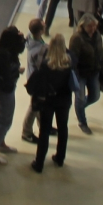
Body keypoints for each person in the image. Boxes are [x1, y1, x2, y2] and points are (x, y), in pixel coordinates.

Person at [26, 33, 74, 173]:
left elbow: (37, 84)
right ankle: (60, 158)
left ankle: (39, 163)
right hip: (64, 101)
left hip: (48, 101)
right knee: (63, 129)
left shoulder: (46, 65)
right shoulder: (69, 62)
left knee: (44, 131)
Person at [0, 26, 27, 164]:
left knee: (3, 117)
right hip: (5, 90)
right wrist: (16, 71)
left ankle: (1, 143)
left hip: (4, 89)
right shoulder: (3, 55)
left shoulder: (2, 49)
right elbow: (4, 74)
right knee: (5, 121)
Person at [69, 14, 103, 135]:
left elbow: (100, 52)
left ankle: (79, 107)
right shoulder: (76, 38)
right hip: (80, 74)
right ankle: (82, 122)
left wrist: (102, 67)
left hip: (94, 71)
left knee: (95, 96)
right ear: (83, 26)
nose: (93, 28)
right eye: (90, 26)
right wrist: (74, 74)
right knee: (79, 98)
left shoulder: (97, 36)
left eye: (95, 26)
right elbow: (73, 58)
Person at [19, 18, 48, 145]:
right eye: (43, 26)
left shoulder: (30, 37)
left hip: (32, 76)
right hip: (37, 81)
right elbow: (43, 66)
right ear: (40, 31)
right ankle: (26, 133)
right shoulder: (40, 49)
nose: (45, 26)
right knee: (35, 106)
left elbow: (39, 15)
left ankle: (44, 126)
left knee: (39, 105)